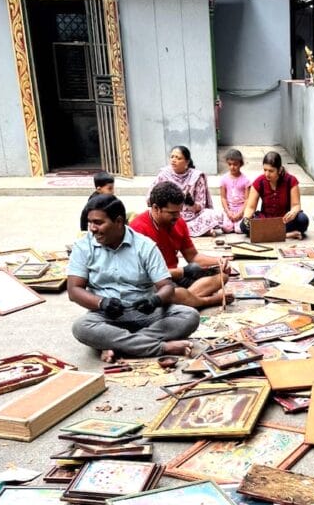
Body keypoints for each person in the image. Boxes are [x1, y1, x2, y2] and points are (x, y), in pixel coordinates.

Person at [67, 195, 199, 363]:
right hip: (106, 315)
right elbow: (74, 290)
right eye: (90, 222)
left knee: (190, 316)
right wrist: (102, 303)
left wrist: (155, 300)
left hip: (146, 313)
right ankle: (162, 347)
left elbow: (167, 287)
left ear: (119, 221)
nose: (92, 228)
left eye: (98, 223)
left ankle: (114, 344)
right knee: (81, 327)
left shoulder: (145, 246)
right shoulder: (83, 246)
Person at [130, 182, 234, 310]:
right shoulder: (137, 229)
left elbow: (193, 256)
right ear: (156, 208)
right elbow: (142, 275)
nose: (178, 217)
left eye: (179, 211)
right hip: (156, 283)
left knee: (222, 277)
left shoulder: (179, 223)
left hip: (176, 278)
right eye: (172, 213)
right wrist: (182, 271)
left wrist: (219, 261)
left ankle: (186, 300)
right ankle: (206, 300)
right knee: (171, 292)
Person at [151, 145, 220, 237]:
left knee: (211, 214)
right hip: (170, 214)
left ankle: (181, 231)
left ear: (187, 162)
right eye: (172, 157)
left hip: (193, 216)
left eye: (178, 158)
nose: (173, 160)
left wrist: (190, 203)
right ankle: (199, 231)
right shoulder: (164, 175)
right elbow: (150, 199)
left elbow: (201, 206)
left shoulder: (196, 176)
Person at [240, 151, 309, 238]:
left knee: (303, 220)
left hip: (285, 220)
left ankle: (268, 234)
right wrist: (246, 218)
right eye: (265, 170)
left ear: (279, 170)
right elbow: (250, 207)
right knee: (244, 226)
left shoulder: (291, 180)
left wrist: (293, 212)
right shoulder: (259, 181)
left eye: (271, 171)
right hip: (265, 220)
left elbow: (296, 205)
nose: (267, 174)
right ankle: (286, 235)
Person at [218, 149, 251, 233]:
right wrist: (228, 212)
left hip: (241, 209)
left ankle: (236, 224)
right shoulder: (224, 179)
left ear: (241, 164)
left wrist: (240, 213)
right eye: (230, 164)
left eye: (235, 164)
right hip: (229, 209)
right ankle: (225, 218)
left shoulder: (246, 180)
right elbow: (223, 198)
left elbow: (247, 199)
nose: (232, 167)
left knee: (239, 229)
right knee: (226, 228)